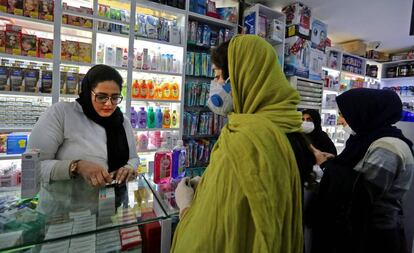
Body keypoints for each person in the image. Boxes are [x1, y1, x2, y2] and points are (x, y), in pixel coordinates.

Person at [171, 35, 305, 252]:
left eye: (217, 76)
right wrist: (208, 186)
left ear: (237, 81)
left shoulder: (246, 138)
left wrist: (186, 206)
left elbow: (205, 239)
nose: (214, 85)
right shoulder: (289, 127)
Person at [312, 88, 414, 253]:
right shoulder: (369, 140)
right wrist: (333, 161)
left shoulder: (388, 147)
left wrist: (326, 165)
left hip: (375, 237)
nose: (341, 120)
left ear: (364, 113)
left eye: (345, 114)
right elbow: (357, 170)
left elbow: (360, 193)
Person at [28, 64, 139, 216]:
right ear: (88, 92)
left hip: (107, 211)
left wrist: (128, 168)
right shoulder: (61, 114)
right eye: (101, 97)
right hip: (62, 215)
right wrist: (76, 167)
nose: (109, 104)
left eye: (115, 97)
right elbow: (33, 166)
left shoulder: (121, 121)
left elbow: (133, 158)